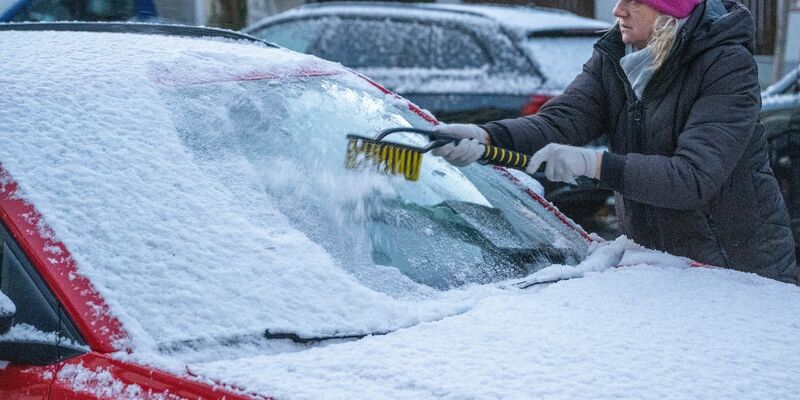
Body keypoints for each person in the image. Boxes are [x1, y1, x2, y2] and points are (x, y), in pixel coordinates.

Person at [432, 0, 798, 284]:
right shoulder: (617, 57)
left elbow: (693, 178)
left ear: (669, 8)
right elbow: (562, 120)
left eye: (634, 1)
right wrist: (488, 136)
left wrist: (594, 165)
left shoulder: (725, 65)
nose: (617, 10)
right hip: (658, 267)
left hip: (739, 270)